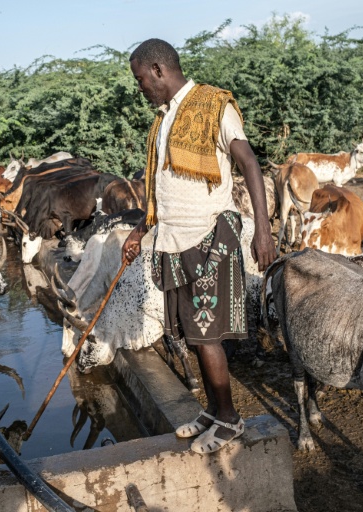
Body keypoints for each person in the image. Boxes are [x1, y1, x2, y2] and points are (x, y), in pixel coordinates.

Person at [122, 38, 276, 454]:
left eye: (140, 79)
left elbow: (249, 162)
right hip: (172, 239)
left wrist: (263, 230)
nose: (140, 87)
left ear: (158, 70)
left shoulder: (215, 105)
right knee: (190, 334)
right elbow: (162, 189)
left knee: (207, 335)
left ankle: (230, 420)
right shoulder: (162, 120)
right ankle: (212, 410)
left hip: (208, 235)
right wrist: (139, 230)